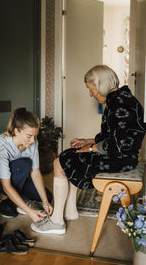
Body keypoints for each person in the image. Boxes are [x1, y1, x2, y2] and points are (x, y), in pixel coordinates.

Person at [31, 64, 146, 234]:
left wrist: (92, 148)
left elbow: (120, 144)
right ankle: (70, 211)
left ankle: (56, 221)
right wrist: (88, 141)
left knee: (60, 161)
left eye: (91, 89)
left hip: (121, 160)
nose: (91, 94)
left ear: (100, 84)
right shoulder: (121, 98)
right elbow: (116, 135)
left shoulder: (118, 103)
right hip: (124, 157)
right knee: (72, 154)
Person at [0, 107, 53, 222]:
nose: (33, 141)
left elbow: (35, 172)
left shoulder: (33, 141)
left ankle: (16, 199)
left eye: (35, 136)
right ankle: (1, 199)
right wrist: (29, 211)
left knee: (48, 197)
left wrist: (45, 201)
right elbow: (6, 185)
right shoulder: (0, 146)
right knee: (24, 164)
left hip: (16, 177)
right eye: (29, 136)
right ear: (16, 131)